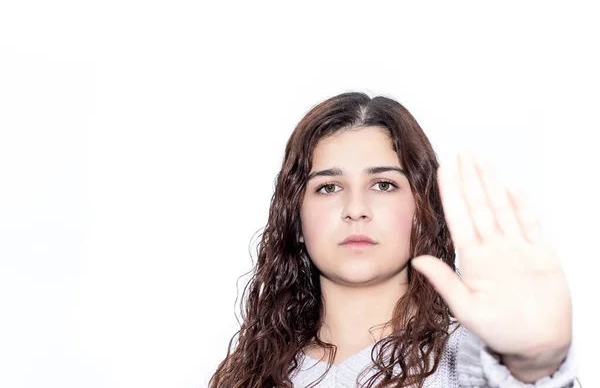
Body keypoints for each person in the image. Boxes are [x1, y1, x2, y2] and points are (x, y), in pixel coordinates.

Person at [208, 92, 579, 387]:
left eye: (383, 185)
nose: (356, 208)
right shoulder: (248, 374)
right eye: (328, 187)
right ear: (296, 217)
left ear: (422, 208)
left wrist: (536, 366)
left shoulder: (474, 361)